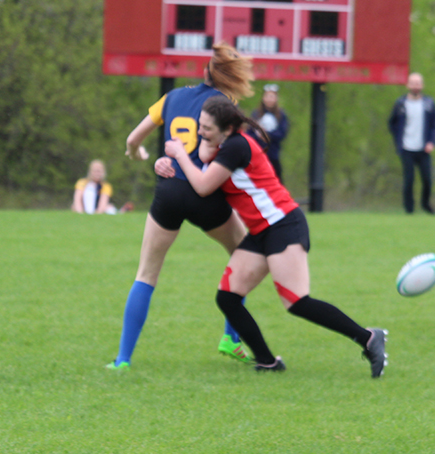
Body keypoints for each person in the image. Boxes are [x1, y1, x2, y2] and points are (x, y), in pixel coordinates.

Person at [161, 95, 388, 376]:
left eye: (207, 128)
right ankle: (267, 362)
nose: (200, 132)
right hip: (261, 231)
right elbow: (206, 155)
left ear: (227, 130)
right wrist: (169, 160)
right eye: (200, 125)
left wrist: (180, 154)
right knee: (228, 297)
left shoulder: (236, 146)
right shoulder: (224, 143)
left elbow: (204, 186)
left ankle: (368, 338)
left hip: (283, 225)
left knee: (296, 301)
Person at [107, 42, 255, 370]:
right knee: (244, 255)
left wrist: (140, 155)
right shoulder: (225, 105)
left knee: (146, 273)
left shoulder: (172, 97)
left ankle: (122, 360)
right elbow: (229, 154)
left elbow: (132, 140)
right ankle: (230, 338)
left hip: (170, 189)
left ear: (204, 72)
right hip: (205, 192)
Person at [388, 72, 435, 214]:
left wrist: (431, 142)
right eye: (413, 83)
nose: (416, 86)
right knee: (409, 179)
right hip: (406, 148)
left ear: (422, 85)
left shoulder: (429, 104)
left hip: (424, 148)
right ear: (408, 85)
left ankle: (425, 204)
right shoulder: (400, 104)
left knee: (427, 179)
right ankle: (409, 209)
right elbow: (392, 123)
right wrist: (398, 140)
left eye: (418, 83)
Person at [246, 83, 289, 183]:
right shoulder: (256, 114)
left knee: (276, 180)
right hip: (258, 154)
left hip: (273, 154)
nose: (270, 99)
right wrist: (258, 136)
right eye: (268, 96)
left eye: (272, 96)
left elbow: (282, 133)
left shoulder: (281, 115)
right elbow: (249, 133)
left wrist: (267, 135)